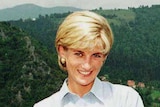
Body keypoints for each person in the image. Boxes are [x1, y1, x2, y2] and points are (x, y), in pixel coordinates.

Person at [33, 11, 144, 107]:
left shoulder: (126, 100)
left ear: (104, 57)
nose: (87, 65)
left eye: (96, 55)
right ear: (62, 51)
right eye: (79, 54)